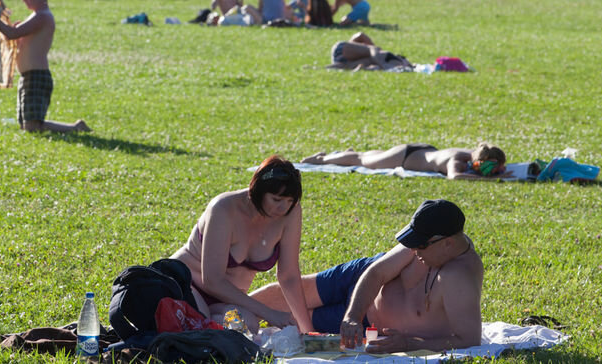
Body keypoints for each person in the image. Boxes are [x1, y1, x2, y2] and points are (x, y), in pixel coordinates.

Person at [250, 199, 483, 353]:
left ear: (448, 243)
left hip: (367, 328)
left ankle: (225, 320)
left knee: (288, 320)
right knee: (291, 293)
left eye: (420, 246)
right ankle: (218, 305)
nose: (416, 252)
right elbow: (377, 272)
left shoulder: (458, 276)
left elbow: (469, 340)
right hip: (360, 284)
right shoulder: (427, 239)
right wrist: (352, 315)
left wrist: (408, 344)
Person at [170, 155, 314, 333]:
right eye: (276, 200)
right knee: (200, 326)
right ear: (258, 191)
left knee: (245, 326)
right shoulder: (224, 208)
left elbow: (289, 276)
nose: (283, 208)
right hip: (186, 285)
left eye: (290, 201)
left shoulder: (290, 213)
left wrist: (308, 331)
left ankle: (209, 323)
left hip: (225, 301)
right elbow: (212, 281)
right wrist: (269, 313)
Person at [0, 0, 90, 133]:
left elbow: (12, 34)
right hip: (28, 77)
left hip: (36, 76)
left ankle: (76, 128)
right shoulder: (35, 16)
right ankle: (75, 127)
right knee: (26, 126)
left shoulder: (42, 16)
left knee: (33, 127)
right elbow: (14, 37)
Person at [301, 142, 510, 180]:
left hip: (419, 151)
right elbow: (455, 177)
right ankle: (321, 159)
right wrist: (492, 180)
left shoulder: (473, 154)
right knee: (362, 160)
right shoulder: (456, 160)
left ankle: (343, 154)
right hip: (406, 157)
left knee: (370, 156)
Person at [327, 32, 412, 71]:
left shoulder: (376, 54)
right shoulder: (377, 51)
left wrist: (381, 65)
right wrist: (382, 65)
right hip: (342, 52)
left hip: (342, 55)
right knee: (372, 53)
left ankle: (319, 69)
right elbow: (372, 49)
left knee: (349, 65)